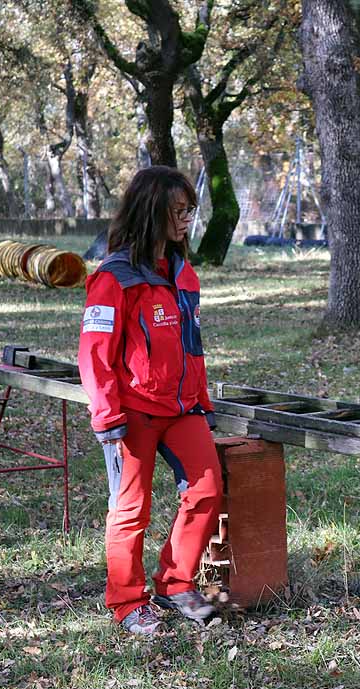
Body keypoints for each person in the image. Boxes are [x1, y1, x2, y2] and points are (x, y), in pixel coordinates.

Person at [78, 166, 224, 636]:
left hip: (183, 409)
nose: (186, 220)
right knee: (131, 508)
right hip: (133, 412)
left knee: (207, 491)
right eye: (178, 211)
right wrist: (106, 413)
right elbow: (94, 352)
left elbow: (192, 344)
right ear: (152, 210)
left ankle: (175, 583)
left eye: (190, 211)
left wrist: (201, 400)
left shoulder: (184, 275)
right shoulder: (114, 278)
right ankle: (126, 602)